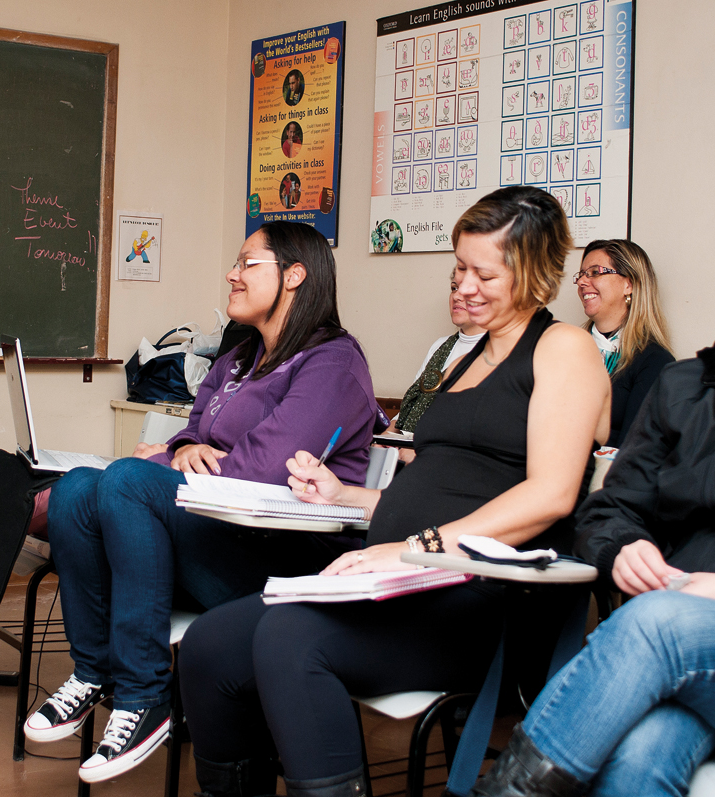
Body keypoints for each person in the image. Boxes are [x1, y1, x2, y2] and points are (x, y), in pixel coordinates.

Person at [178, 186, 611, 797]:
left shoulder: (563, 349)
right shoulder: (466, 358)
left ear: (535, 276)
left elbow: (550, 496)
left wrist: (417, 546)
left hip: (475, 599)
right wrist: (346, 496)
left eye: (484, 274)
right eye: (459, 267)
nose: (463, 286)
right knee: (209, 645)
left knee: (289, 638)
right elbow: (439, 491)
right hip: (403, 575)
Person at [24, 222, 388, 783]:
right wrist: (186, 447)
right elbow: (189, 434)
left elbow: (266, 469)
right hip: (216, 533)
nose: (232, 274)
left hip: (283, 557)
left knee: (123, 481)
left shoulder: (333, 363)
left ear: (294, 276)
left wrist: (174, 458)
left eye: (247, 263)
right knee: (76, 488)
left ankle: (147, 697)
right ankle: (96, 672)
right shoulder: (240, 354)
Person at [473, 344, 715, 797]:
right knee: (641, 753)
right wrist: (623, 547)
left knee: (656, 622)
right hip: (684, 648)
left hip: (667, 629)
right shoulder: (682, 384)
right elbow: (610, 510)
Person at [575, 239, 673, 448]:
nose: (583, 282)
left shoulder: (654, 361)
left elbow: (634, 451)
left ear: (628, 284)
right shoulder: (568, 348)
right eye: (581, 274)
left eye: (595, 272)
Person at [390, 272, 486, 435]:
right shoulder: (441, 345)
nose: (457, 296)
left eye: (467, 289)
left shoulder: (499, 352)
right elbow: (412, 404)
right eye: (454, 288)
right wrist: (384, 437)